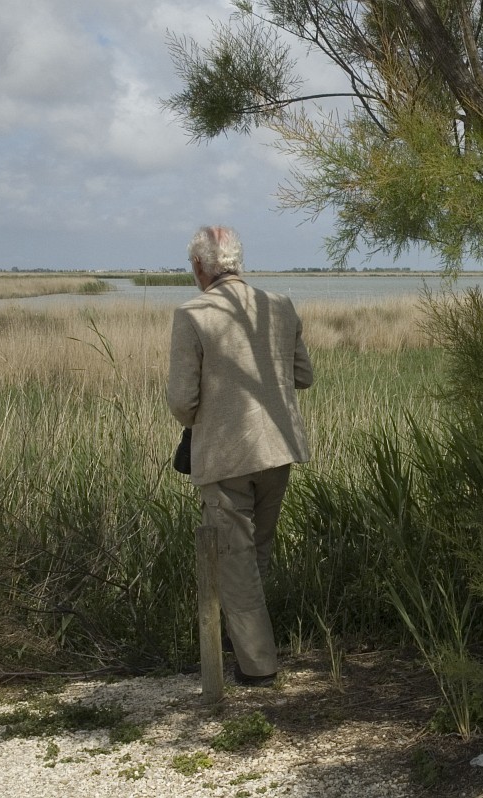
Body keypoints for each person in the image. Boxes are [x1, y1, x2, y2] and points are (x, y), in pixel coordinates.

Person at [167, 225, 314, 687]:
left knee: (234, 559)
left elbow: (182, 402)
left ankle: (257, 666)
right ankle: (241, 638)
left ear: (199, 266)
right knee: (256, 551)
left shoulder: (192, 314)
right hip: (278, 450)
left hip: (226, 455)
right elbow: (304, 376)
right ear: (237, 262)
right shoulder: (280, 306)